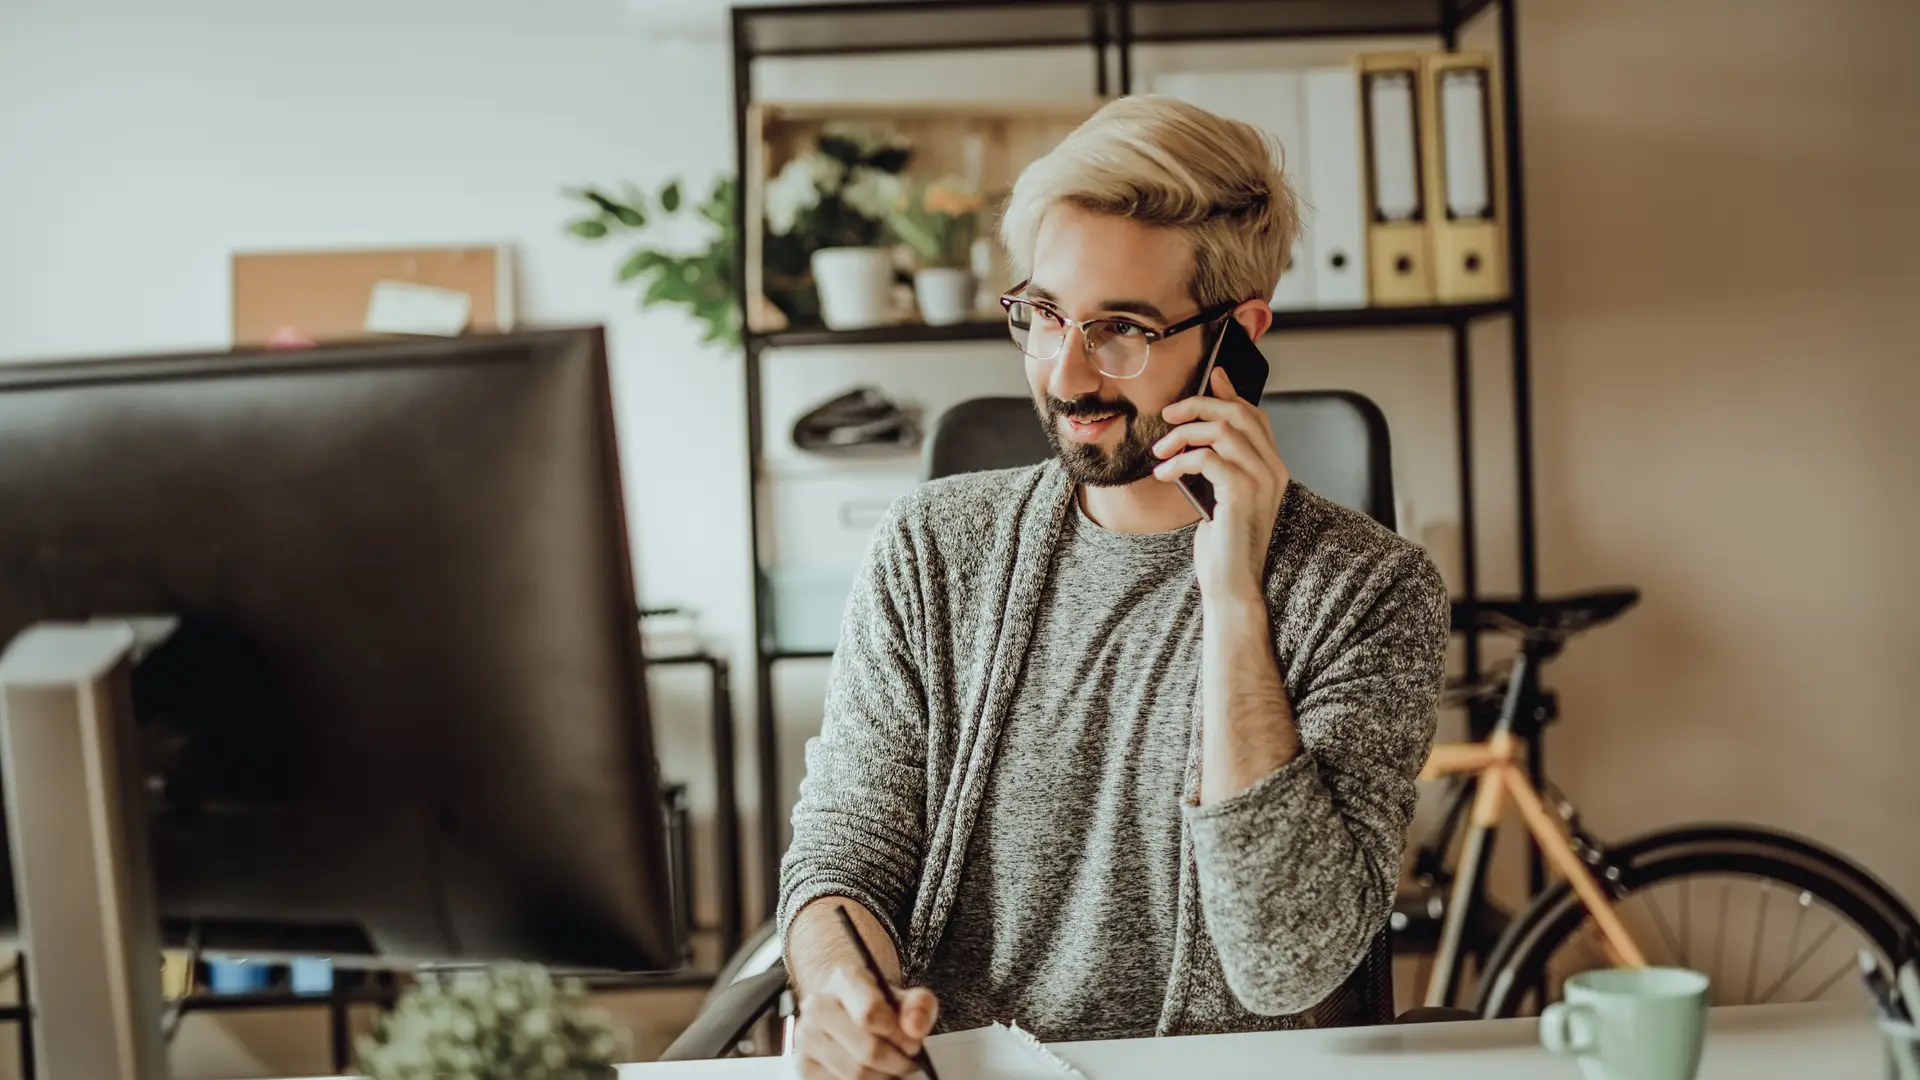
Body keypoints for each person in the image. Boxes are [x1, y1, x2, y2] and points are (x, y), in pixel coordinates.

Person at [777, 94, 1452, 1080]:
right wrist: (839, 984)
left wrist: (1232, 601)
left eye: (1123, 330)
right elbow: (847, 855)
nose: (1068, 373)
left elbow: (1287, 962)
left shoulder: (1369, 592)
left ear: (1239, 338)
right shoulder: (928, 549)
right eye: (1044, 315)